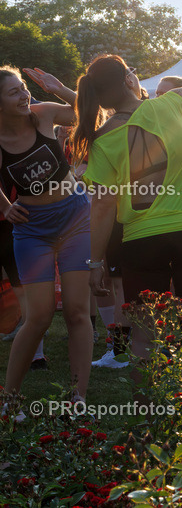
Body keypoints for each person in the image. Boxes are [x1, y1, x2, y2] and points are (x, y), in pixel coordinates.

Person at [78, 37, 182, 368]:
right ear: (129, 80)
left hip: (141, 243)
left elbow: (102, 207)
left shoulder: (101, 139)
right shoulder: (171, 104)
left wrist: (94, 262)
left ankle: (145, 418)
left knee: (143, 338)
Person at [0, 66, 89, 409]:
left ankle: (78, 398)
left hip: (74, 218)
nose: (24, 95)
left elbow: (91, 113)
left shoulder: (43, 115)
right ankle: (10, 400)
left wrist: (60, 87)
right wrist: (6, 207)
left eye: (23, 88)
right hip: (32, 228)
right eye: (14, 93)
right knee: (38, 316)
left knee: (77, 312)